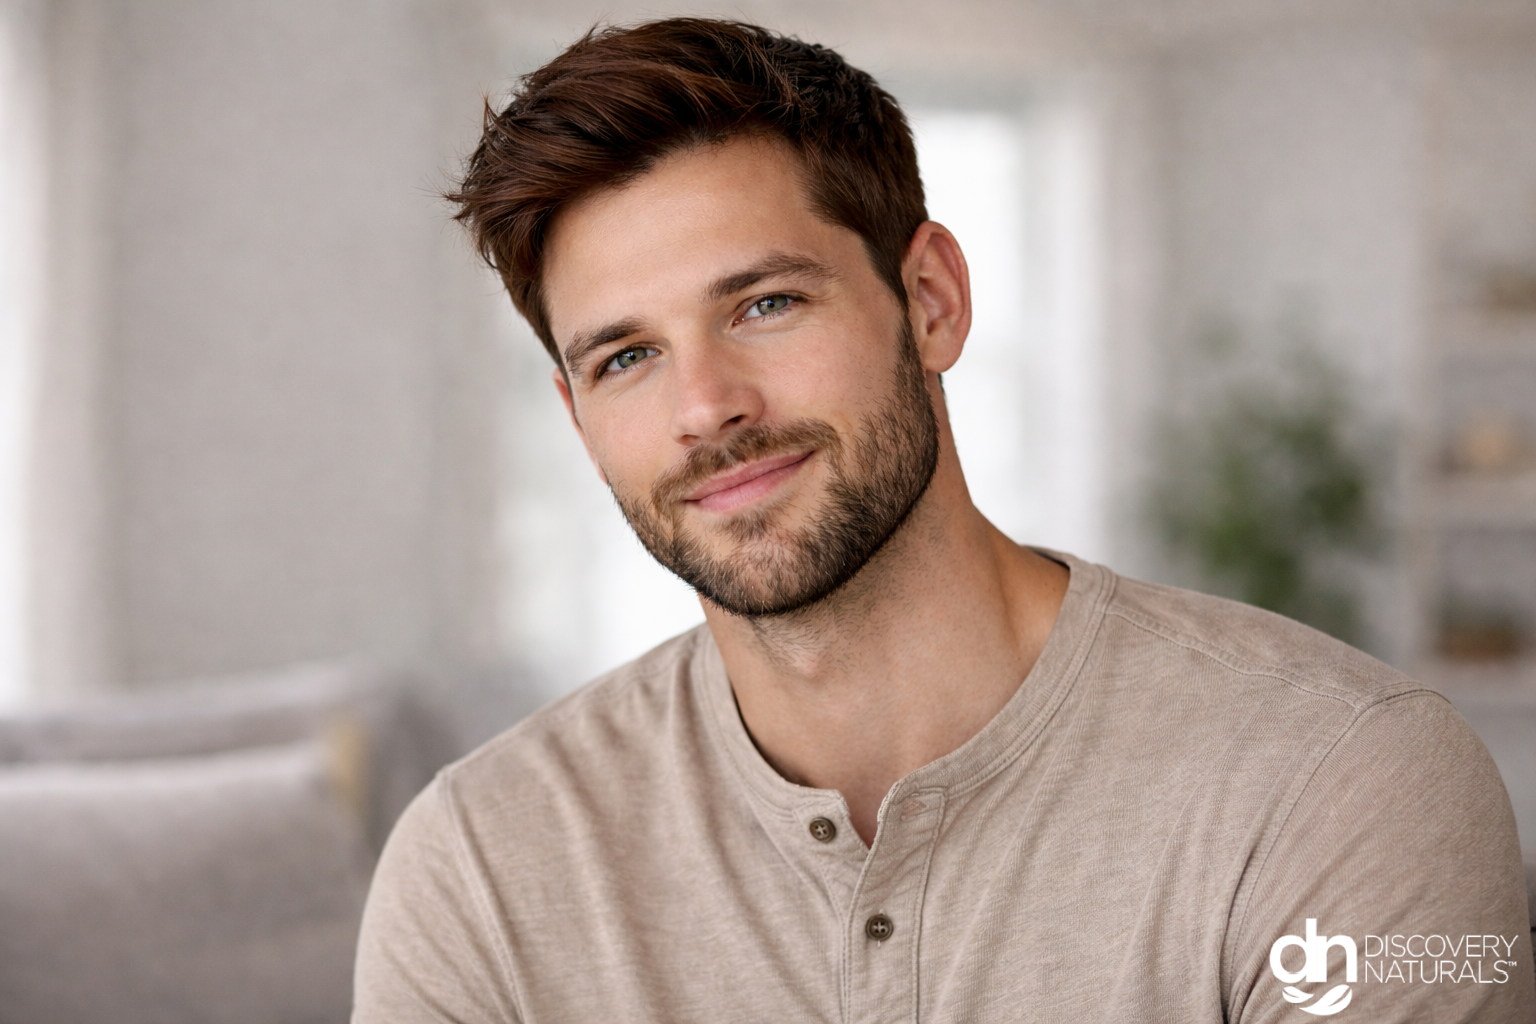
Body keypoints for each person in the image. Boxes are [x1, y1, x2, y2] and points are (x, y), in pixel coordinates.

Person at [353, 18, 1534, 1022]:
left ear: (930, 302)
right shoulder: (478, 869)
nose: (706, 408)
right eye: (626, 358)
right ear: (576, 414)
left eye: (764, 303)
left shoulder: (1347, 781)